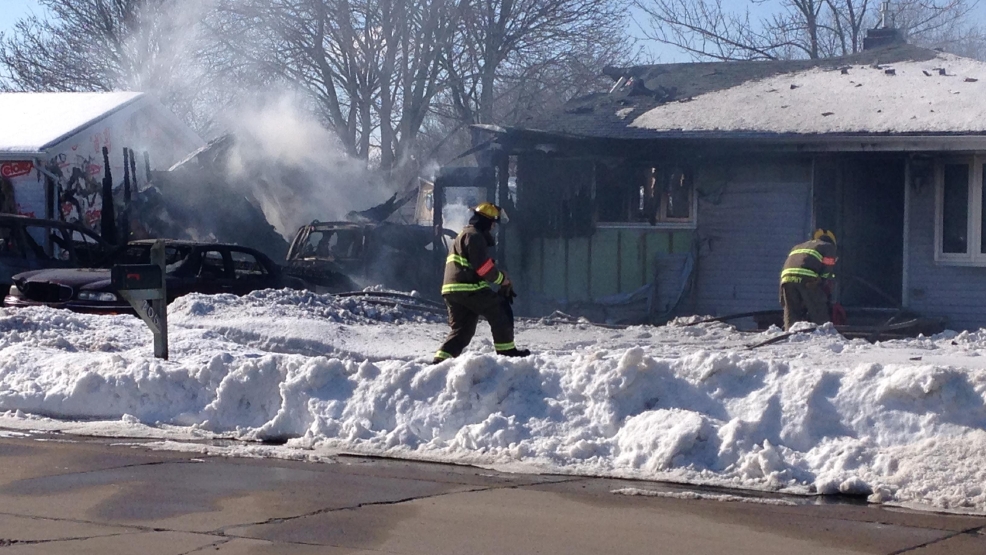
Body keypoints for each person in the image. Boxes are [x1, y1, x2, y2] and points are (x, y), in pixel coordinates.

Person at [433, 202, 530, 363]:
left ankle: (439, 362)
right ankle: (507, 354)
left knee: (462, 331)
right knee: (500, 309)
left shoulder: (465, 234)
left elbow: (475, 264)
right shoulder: (475, 236)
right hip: (467, 288)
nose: (493, 228)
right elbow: (483, 268)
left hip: (452, 290)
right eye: (493, 224)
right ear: (487, 222)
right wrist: (503, 280)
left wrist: (497, 273)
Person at [780, 229, 838, 331]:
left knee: (791, 311)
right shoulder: (828, 246)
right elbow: (827, 270)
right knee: (818, 309)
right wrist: (823, 283)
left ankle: (789, 334)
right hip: (807, 277)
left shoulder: (798, 246)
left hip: (786, 278)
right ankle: (824, 334)